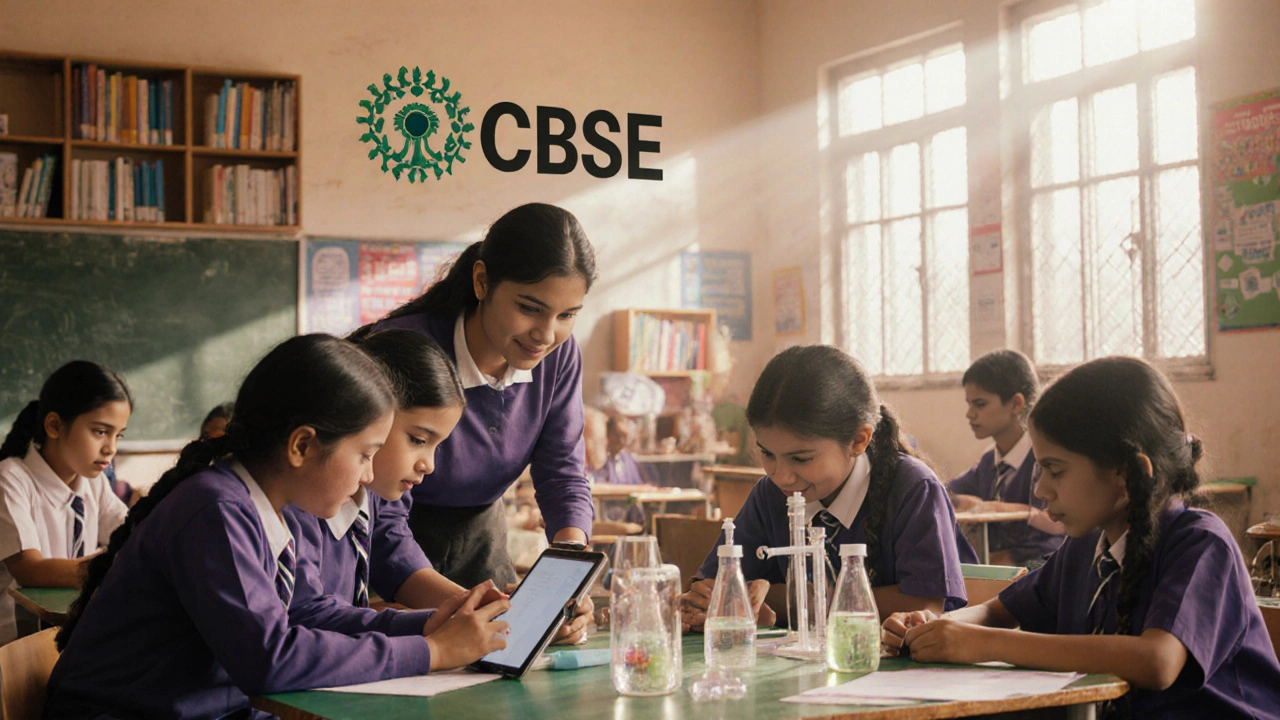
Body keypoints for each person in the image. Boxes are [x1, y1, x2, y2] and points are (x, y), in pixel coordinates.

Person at [46, 335, 510, 719]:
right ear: (302, 446)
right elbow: (271, 659)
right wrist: (432, 653)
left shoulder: (264, 507)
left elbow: (308, 613)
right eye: (365, 455)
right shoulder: (216, 510)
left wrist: (426, 625)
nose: (368, 475)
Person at [881, 357, 1280, 718]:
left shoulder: (1200, 544)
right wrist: (933, 627)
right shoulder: (1086, 546)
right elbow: (997, 612)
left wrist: (984, 644)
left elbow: (1157, 661)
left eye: (1055, 471)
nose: (1041, 490)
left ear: (1126, 473)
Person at [363, 202, 597, 589]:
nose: (545, 334)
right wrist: (470, 610)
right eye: (530, 308)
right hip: (389, 549)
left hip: (482, 544)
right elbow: (382, 518)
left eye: (567, 315)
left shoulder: (559, 356)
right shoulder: (407, 349)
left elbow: (563, 473)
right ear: (482, 282)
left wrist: (567, 576)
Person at [682, 345, 972, 632]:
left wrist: (771, 599)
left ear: (858, 441)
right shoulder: (770, 495)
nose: (781, 476)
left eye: (801, 459)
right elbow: (717, 584)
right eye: (767, 453)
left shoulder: (913, 489)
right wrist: (705, 600)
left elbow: (923, 603)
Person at [0, 361, 131, 644]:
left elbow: (131, 534)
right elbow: (30, 570)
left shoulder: (93, 482)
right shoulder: (10, 479)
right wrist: (109, 563)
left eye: (118, 435)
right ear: (55, 426)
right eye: (100, 432)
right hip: (14, 646)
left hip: (69, 635)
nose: (111, 448)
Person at [948, 349, 1064, 566]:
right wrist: (961, 501)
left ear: (1016, 404)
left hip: (1044, 567)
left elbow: (1060, 527)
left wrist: (1004, 509)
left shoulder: (1045, 460)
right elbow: (946, 490)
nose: (969, 414)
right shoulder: (988, 462)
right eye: (969, 404)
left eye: (980, 404)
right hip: (997, 567)